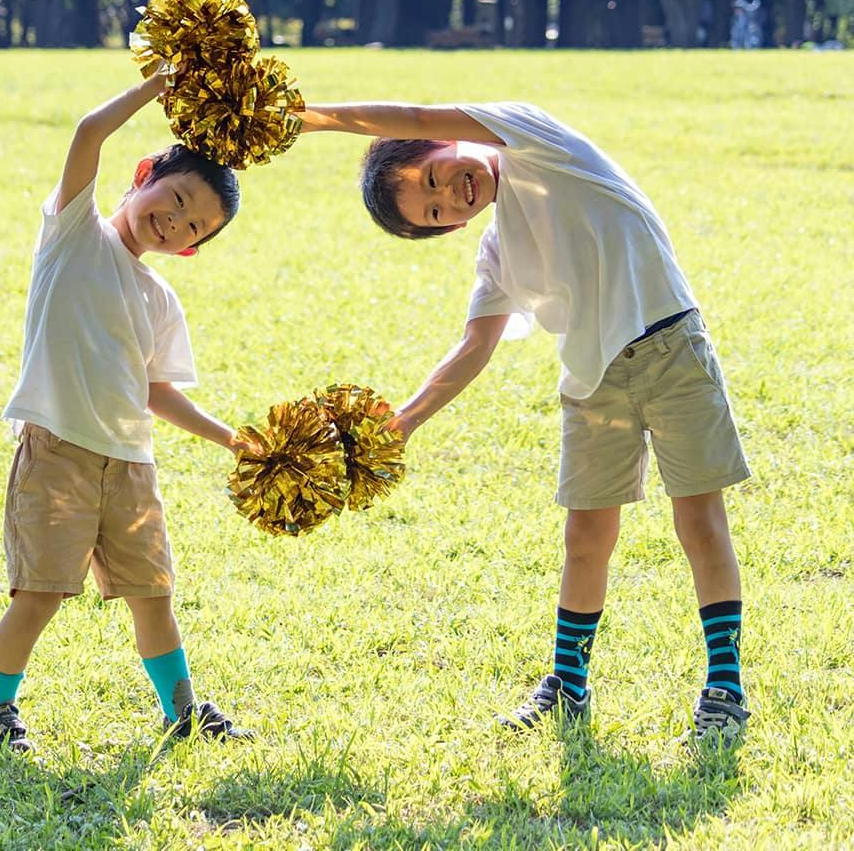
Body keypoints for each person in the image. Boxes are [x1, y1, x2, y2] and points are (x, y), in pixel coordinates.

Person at [298, 101, 752, 748]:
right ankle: (567, 685)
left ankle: (725, 688)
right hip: (592, 383)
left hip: (672, 349)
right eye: (433, 213)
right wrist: (403, 423)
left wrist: (321, 120)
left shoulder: (534, 141)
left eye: (432, 176)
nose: (448, 197)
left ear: (437, 142)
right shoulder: (497, 249)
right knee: (584, 539)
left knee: (699, 523)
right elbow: (474, 345)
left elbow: (419, 111)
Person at [0, 70, 252, 755]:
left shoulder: (160, 298)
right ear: (144, 174)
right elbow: (87, 132)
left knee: (152, 594)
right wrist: (157, 87)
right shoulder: (73, 234)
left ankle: (182, 710)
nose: (175, 220)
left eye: (194, 226)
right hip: (57, 453)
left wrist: (227, 437)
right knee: (37, 594)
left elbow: (155, 389)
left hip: (131, 464)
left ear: (192, 247)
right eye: (176, 197)